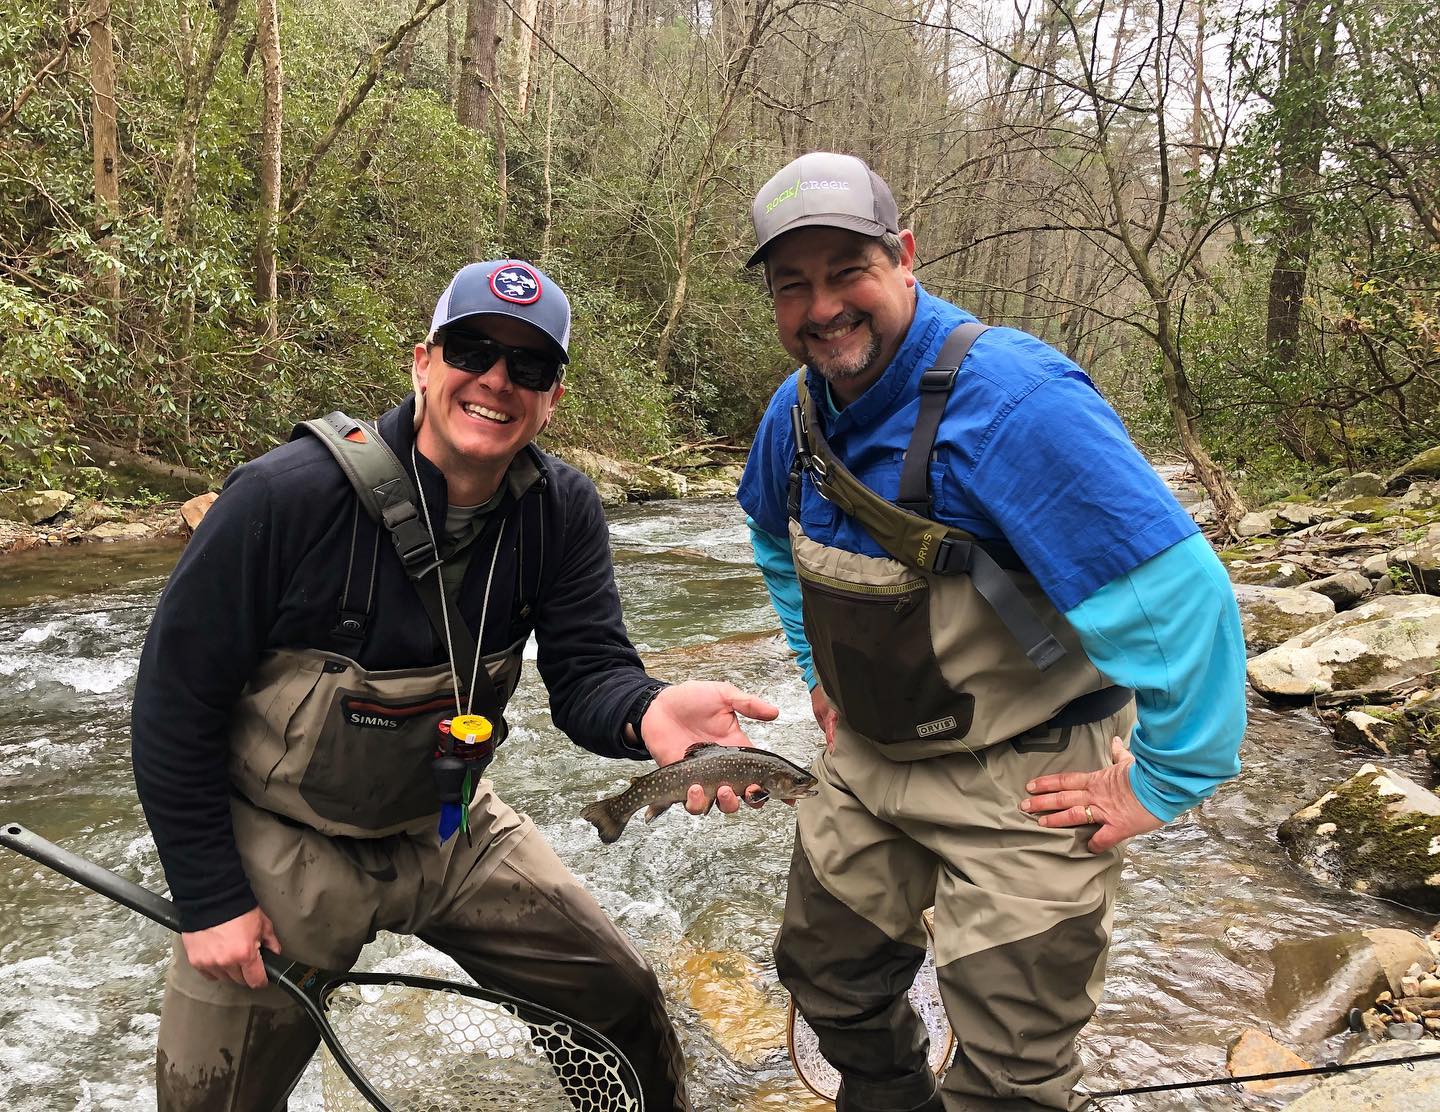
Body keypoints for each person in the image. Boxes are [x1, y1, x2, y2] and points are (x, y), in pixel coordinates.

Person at [131, 258, 779, 1111]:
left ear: (552, 397)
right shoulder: (285, 497)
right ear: (423, 362)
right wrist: (211, 897)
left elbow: (588, 675)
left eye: (530, 366)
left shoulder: (561, 510)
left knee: (617, 1000)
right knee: (210, 1102)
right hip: (279, 839)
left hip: (447, 824)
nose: (496, 380)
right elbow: (172, 704)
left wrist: (649, 708)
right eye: (473, 349)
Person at [737, 153, 1247, 1112]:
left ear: (906, 258)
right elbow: (774, 537)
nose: (822, 307)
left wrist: (1161, 783)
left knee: (1013, 1070)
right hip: (870, 758)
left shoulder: (1017, 404)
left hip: (1031, 777)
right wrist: (816, 668)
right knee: (826, 975)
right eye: (792, 284)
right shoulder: (793, 416)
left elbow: (1186, 605)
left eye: (848, 269)